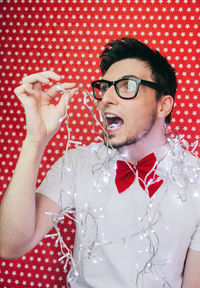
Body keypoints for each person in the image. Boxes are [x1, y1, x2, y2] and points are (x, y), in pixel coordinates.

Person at [0, 37, 200, 288]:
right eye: (105, 87)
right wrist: (35, 139)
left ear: (164, 105)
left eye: (127, 86)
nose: (106, 98)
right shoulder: (79, 162)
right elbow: (9, 245)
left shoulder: (196, 180)